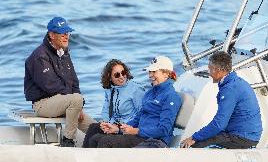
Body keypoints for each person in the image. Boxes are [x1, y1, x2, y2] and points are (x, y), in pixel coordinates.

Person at [24, 17, 95, 147]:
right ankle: (68, 141)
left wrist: (79, 106)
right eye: (62, 33)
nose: (66, 36)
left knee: (96, 128)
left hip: (64, 101)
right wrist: (75, 100)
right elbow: (51, 86)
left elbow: (74, 82)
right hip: (43, 104)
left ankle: (102, 145)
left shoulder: (64, 53)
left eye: (67, 33)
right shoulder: (40, 56)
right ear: (51, 35)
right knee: (76, 99)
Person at [87, 56, 182, 148]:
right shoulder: (150, 93)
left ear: (166, 74)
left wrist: (136, 131)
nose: (150, 75)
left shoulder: (171, 96)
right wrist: (118, 129)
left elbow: (164, 129)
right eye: (150, 72)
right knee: (95, 138)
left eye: (154, 72)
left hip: (154, 141)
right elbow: (138, 118)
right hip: (140, 136)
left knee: (105, 141)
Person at [180, 51, 263, 149]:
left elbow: (219, 124)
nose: (209, 73)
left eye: (210, 69)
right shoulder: (235, 81)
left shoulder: (229, 89)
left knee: (194, 145)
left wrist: (193, 137)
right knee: (202, 138)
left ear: (217, 70)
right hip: (243, 133)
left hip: (242, 137)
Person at [82, 59, 145, 148]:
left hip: (127, 126)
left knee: (100, 139)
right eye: (117, 75)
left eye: (123, 72)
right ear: (110, 77)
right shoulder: (109, 90)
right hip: (114, 124)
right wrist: (105, 123)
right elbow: (106, 109)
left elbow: (142, 113)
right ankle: (84, 155)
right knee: (93, 127)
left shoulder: (136, 89)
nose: (122, 77)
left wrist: (119, 127)